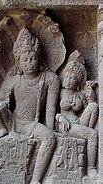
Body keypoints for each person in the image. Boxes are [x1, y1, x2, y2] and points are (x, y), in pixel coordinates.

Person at [0, 28, 60, 184]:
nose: (30, 63)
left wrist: (52, 127)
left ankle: (35, 180)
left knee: (49, 138)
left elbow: (50, 109)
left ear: (39, 58)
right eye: (25, 59)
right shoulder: (14, 80)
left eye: (33, 58)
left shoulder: (50, 79)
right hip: (13, 121)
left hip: (31, 125)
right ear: (18, 61)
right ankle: (1, 130)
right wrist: (2, 104)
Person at [56, 51, 98, 180]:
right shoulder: (60, 92)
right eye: (67, 77)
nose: (68, 81)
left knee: (94, 106)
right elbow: (51, 110)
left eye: (72, 78)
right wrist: (59, 117)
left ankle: (87, 134)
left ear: (78, 81)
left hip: (78, 123)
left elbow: (88, 109)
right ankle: (91, 168)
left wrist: (91, 97)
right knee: (92, 134)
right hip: (67, 126)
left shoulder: (79, 94)